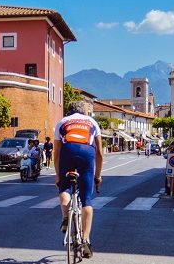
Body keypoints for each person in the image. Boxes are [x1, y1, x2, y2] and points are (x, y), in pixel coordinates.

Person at [53, 101, 103, 259]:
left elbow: (56, 153)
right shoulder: (92, 122)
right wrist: (98, 176)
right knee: (86, 199)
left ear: (68, 112)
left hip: (68, 151)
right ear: (83, 112)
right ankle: (86, 239)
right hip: (87, 152)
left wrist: (58, 176)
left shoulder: (62, 122)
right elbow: (100, 152)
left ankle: (66, 217)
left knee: (65, 188)